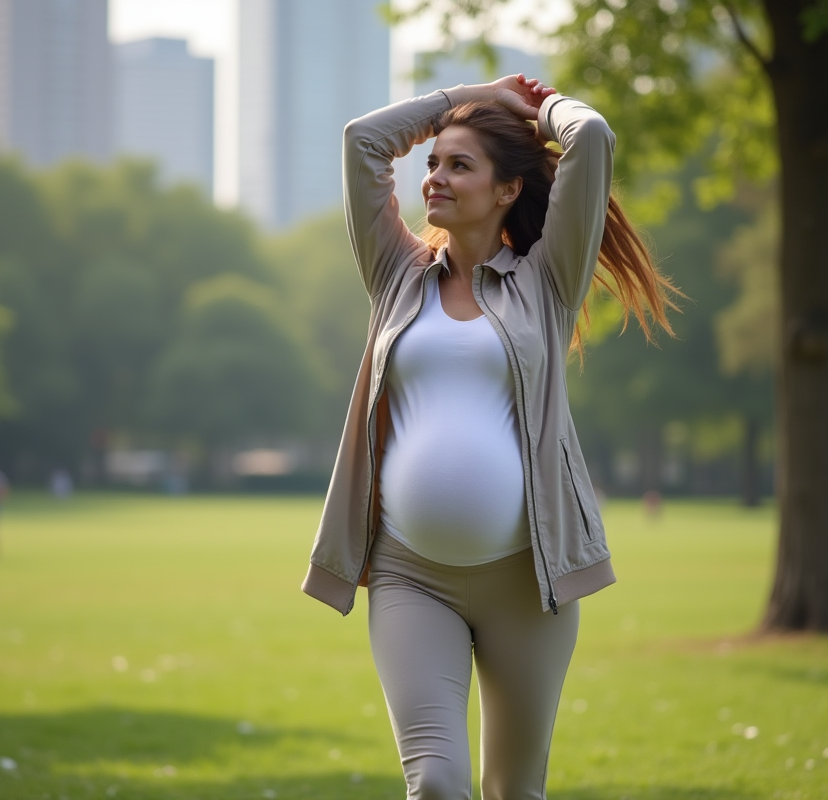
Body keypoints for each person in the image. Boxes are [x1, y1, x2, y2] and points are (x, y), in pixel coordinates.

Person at [302, 75, 678, 798]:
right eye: (433, 162)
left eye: (458, 165)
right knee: (437, 783)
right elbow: (363, 142)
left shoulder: (546, 283)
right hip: (412, 576)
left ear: (507, 190)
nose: (434, 177)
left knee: (514, 791)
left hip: (527, 581)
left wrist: (538, 110)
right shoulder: (397, 276)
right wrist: (469, 96)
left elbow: (591, 138)